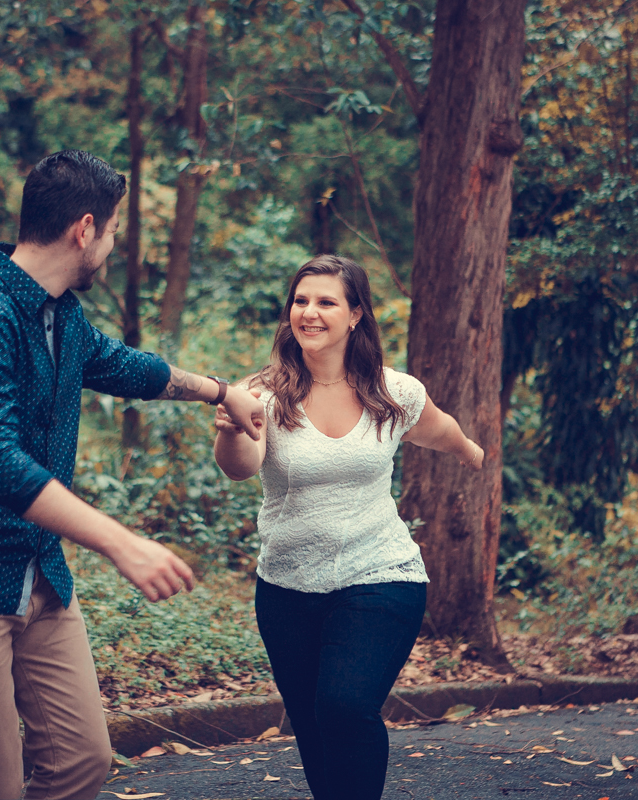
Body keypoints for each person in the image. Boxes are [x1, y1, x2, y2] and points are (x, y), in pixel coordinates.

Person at [0, 149, 265, 800]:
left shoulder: (62, 313)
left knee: (81, 763)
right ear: (84, 229)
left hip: (39, 578)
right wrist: (121, 542)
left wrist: (220, 391)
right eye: (115, 231)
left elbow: (120, 366)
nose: (114, 246)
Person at [213, 254, 484, 800]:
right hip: (287, 586)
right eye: (300, 300)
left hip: (382, 574)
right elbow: (239, 467)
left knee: (344, 705)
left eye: (326, 302)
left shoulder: (393, 393)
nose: (309, 313)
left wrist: (474, 453)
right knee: (313, 726)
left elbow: (440, 429)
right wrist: (230, 429)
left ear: (356, 314)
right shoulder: (262, 394)